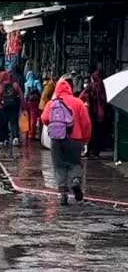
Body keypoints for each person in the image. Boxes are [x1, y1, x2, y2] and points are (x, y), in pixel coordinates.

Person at [41, 77, 92, 205]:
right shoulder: (78, 102)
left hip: (57, 139)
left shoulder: (52, 103)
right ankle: (75, 180)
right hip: (75, 139)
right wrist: (85, 139)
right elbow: (86, 123)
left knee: (59, 166)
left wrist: (56, 127)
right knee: (75, 163)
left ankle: (63, 193)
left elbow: (44, 118)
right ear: (70, 89)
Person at [80, 70, 108, 158]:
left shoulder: (92, 87)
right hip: (101, 115)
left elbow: (81, 96)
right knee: (98, 133)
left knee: (91, 133)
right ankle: (96, 152)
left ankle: (89, 151)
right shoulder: (103, 88)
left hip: (93, 114)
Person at [0, 70, 24, 146]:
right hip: (14, 107)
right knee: (14, 123)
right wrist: (22, 106)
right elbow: (21, 96)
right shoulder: (15, 85)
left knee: (2, 124)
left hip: (2, 108)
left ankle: (3, 139)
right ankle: (15, 138)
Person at [24, 71, 43, 140]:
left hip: (28, 101)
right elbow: (40, 90)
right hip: (35, 102)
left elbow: (25, 94)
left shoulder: (26, 84)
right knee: (33, 118)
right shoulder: (36, 82)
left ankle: (27, 133)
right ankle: (31, 134)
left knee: (28, 118)